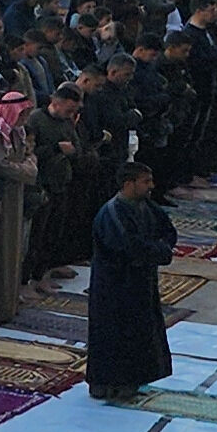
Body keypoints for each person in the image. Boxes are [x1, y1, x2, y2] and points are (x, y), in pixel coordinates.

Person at [87, 160, 179, 402]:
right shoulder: (112, 213)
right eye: (146, 182)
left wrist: (162, 247)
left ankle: (130, 380)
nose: (151, 186)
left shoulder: (147, 206)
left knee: (138, 332)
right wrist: (160, 252)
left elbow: (169, 230)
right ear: (129, 184)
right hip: (114, 285)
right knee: (111, 333)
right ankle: (104, 381)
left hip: (139, 281)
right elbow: (129, 247)